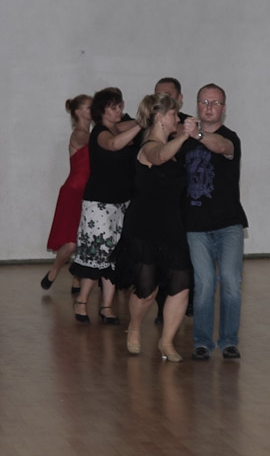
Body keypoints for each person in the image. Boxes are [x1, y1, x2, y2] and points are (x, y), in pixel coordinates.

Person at [114, 93, 198, 361]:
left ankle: (166, 342)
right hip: (144, 226)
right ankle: (135, 326)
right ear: (160, 117)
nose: (177, 118)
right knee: (146, 289)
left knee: (181, 283)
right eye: (174, 114)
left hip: (171, 226)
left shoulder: (173, 149)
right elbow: (159, 156)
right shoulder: (149, 146)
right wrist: (184, 137)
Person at [179, 84, 248, 360]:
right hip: (195, 225)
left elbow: (221, 147)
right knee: (205, 283)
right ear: (197, 105)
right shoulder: (183, 141)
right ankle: (202, 342)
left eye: (215, 102)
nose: (209, 107)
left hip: (228, 224)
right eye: (204, 101)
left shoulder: (230, 138)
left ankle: (229, 340)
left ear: (224, 108)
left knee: (230, 281)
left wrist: (196, 133)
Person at [69, 87, 141, 324]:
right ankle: (82, 301)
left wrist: (145, 119)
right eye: (113, 107)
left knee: (114, 256)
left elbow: (126, 128)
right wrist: (141, 124)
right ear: (102, 111)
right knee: (97, 255)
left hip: (122, 203)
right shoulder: (99, 133)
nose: (119, 110)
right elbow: (113, 144)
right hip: (99, 204)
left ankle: (106, 306)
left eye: (120, 105)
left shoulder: (119, 127)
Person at [150, 77, 193, 326]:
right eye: (158, 95)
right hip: (161, 206)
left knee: (188, 255)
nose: (163, 99)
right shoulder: (151, 129)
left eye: (167, 94)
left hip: (188, 201)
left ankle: (189, 301)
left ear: (180, 98)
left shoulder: (189, 126)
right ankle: (162, 307)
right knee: (162, 260)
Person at [41, 94, 93, 294]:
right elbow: (99, 143)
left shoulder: (92, 133)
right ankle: (55, 270)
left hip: (89, 191)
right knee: (71, 243)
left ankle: (77, 278)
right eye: (89, 107)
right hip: (74, 191)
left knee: (85, 239)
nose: (93, 110)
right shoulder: (80, 134)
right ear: (78, 112)